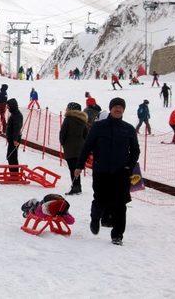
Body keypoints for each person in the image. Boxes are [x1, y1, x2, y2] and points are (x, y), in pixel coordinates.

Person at [74, 97, 139, 246]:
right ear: (110, 109)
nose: (118, 109)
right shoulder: (98, 127)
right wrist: (79, 165)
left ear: (124, 110)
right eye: (115, 106)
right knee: (100, 199)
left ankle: (117, 235)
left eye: (120, 107)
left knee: (120, 204)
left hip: (121, 173)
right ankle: (95, 218)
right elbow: (87, 146)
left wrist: (129, 166)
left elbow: (135, 150)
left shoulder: (128, 129)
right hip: (101, 171)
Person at [59, 102, 88, 195]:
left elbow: (63, 133)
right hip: (81, 148)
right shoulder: (83, 120)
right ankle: (77, 186)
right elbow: (86, 135)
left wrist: (62, 142)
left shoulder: (68, 119)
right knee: (76, 167)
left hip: (70, 148)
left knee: (72, 168)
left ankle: (76, 187)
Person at [5, 98, 23, 172]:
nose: (7, 107)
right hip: (12, 139)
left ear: (12, 106)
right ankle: (13, 173)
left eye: (8, 106)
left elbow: (17, 128)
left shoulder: (17, 115)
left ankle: (14, 173)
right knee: (11, 156)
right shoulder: (14, 114)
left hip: (14, 139)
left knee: (11, 157)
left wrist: (15, 139)